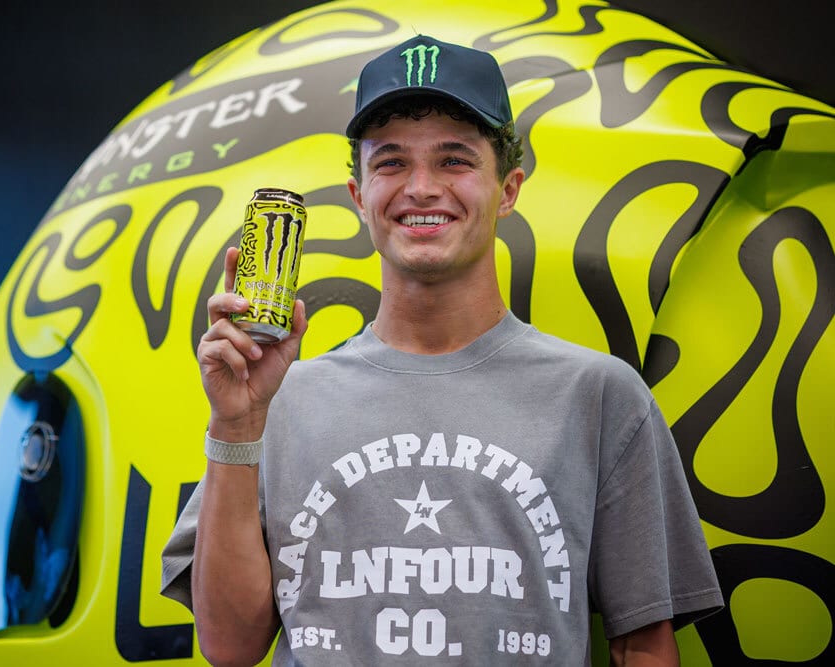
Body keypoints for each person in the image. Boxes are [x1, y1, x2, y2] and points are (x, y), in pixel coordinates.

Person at [162, 35, 723, 666]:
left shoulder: (599, 396)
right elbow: (230, 648)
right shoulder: (276, 402)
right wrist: (235, 424)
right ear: (359, 197)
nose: (422, 188)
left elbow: (644, 646)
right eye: (392, 162)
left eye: (454, 160)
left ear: (508, 189)